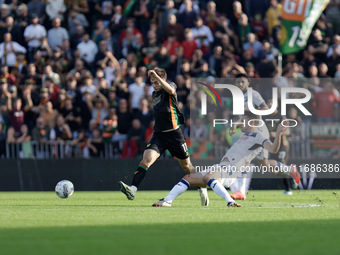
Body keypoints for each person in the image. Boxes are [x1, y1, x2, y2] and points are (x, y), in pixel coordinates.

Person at [152, 111, 287, 207]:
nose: (241, 122)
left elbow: (273, 149)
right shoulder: (245, 135)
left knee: (209, 177)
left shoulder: (258, 136)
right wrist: (235, 125)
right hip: (221, 166)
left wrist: (279, 133)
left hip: (231, 170)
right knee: (188, 178)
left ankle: (230, 202)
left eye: (243, 120)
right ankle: (167, 201)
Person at [118, 67, 209, 206]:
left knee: (187, 167)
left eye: (156, 82)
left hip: (175, 135)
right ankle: (133, 189)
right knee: (146, 159)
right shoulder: (154, 95)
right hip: (159, 135)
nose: (154, 85)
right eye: (152, 82)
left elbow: (172, 90)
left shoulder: (170, 87)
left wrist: (157, 77)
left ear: (163, 80)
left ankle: (202, 188)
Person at [229, 73, 300, 200]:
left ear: (248, 83)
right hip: (249, 132)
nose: (240, 84)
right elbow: (243, 117)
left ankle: (240, 191)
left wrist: (250, 113)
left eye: (242, 82)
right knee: (265, 165)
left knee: (243, 157)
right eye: (238, 82)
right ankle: (289, 169)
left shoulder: (253, 95)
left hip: (258, 131)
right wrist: (235, 125)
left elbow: (265, 107)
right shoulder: (238, 98)